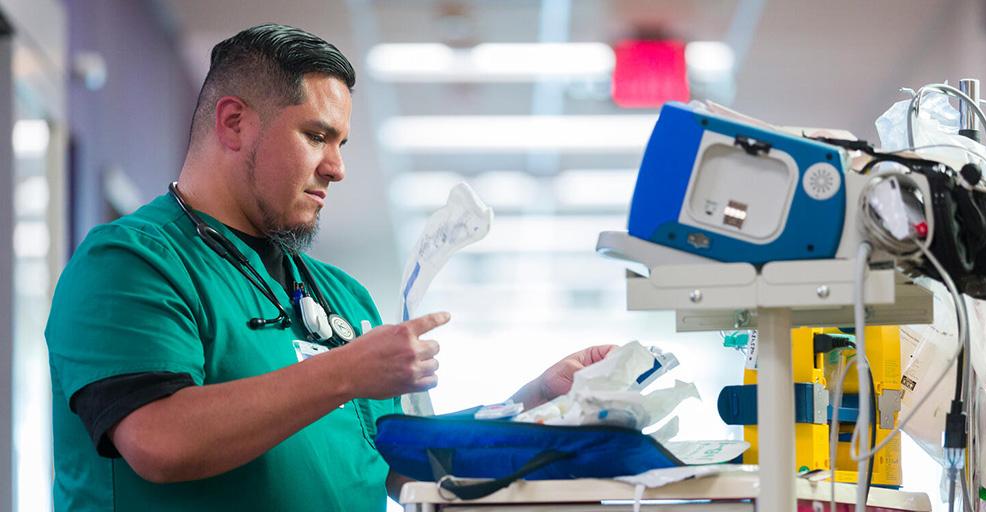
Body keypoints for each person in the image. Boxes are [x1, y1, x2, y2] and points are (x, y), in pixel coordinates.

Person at [45, 23, 615, 511]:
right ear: (235, 123)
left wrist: (538, 398)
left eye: (340, 141)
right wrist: (346, 372)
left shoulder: (340, 296)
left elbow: (412, 466)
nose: (337, 167)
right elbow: (159, 441)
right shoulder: (130, 263)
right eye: (316, 136)